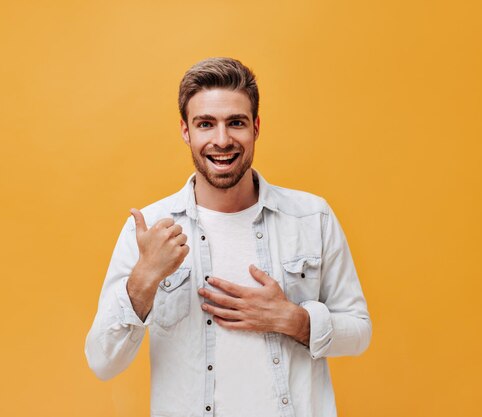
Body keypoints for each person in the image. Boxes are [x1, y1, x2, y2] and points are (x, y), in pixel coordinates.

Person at [85, 57, 371, 417]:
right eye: (206, 124)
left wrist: (293, 320)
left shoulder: (311, 218)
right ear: (185, 131)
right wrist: (144, 280)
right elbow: (102, 362)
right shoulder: (149, 230)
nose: (222, 140)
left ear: (256, 126)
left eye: (235, 122)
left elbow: (359, 332)